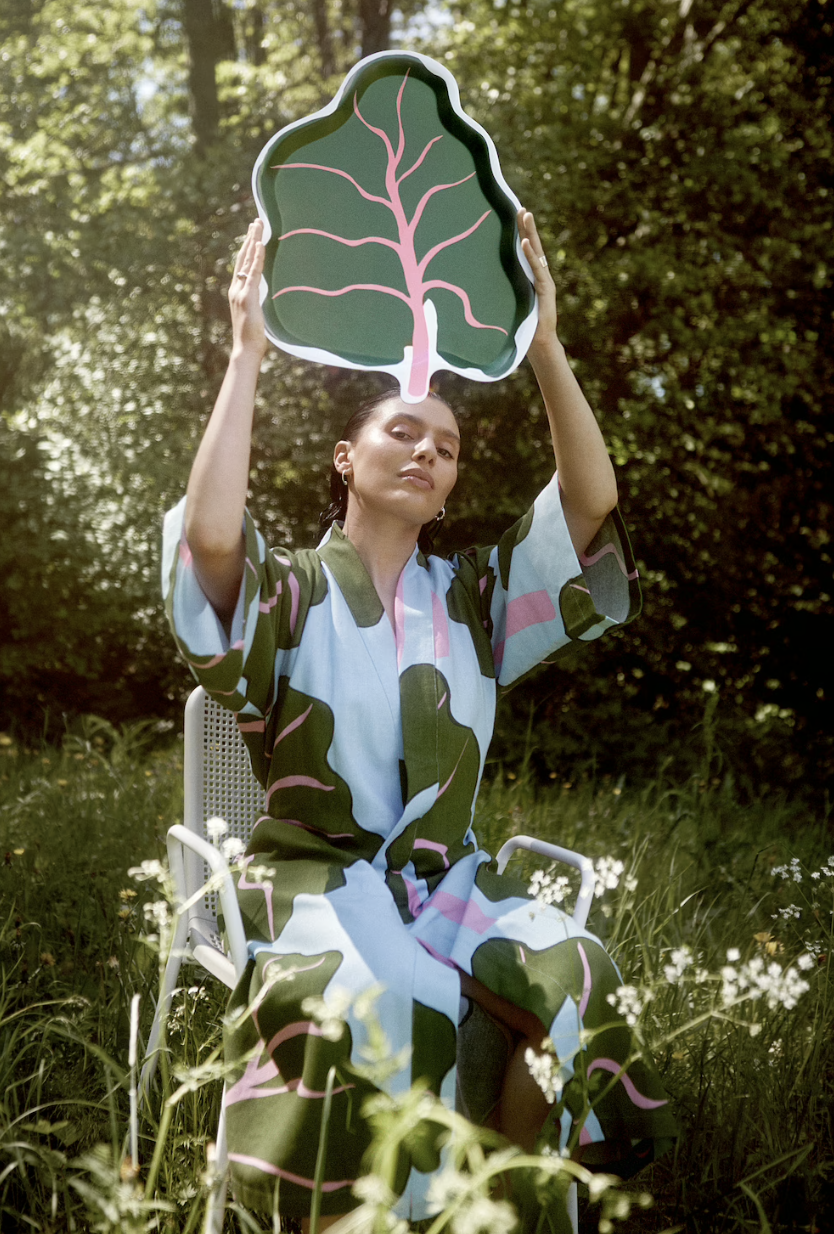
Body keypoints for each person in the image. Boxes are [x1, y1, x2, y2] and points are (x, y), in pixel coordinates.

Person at [162, 211, 677, 1231]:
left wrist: (544, 348)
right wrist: (245, 354)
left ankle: (512, 1206)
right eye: (401, 429)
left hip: (448, 881)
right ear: (346, 458)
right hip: (318, 876)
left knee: (583, 973)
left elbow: (589, 501)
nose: (427, 450)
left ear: (446, 488)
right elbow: (213, 537)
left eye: (446, 445)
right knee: (389, 994)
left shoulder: (477, 602)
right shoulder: (293, 593)